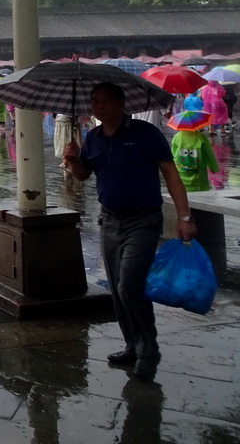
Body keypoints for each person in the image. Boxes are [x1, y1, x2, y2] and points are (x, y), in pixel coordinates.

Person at [63, 82, 196, 381]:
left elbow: (170, 173)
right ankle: (132, 344)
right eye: (95, 101)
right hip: (109, 221)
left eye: (106, 101)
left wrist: (184, 216)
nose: (100, 107)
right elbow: (84, 175)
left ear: (122, 103)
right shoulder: (93, 138)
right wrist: (72, 160)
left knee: (129, 285)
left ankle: (149, 349)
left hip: (143, 221)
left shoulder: (145, 134)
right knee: (117, 289)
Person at [170, 123, 219, 192]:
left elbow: (173, 154)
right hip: (199, 174)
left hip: (181, 173)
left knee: (183, 192)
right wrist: (214, 168)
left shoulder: (177, 137)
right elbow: (209, 153)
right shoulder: (201, 137)